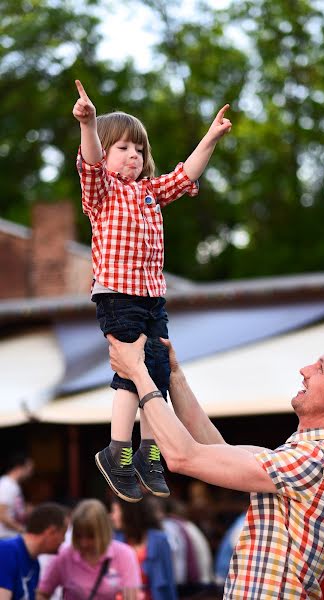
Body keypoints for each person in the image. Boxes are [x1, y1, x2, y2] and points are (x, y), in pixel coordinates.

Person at [107, 335, 324, 599]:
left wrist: (138, 373)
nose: (305, 370)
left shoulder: (316, 462)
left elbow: (183, 456)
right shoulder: (311, 457)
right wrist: (174, 375)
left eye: (320, 368)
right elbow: (213, 449)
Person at [72, 79, 232, 503]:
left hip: (151, 296)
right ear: (107, 154)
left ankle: (149, 451)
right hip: (116, 294)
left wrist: (211, 138)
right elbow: (89, 163)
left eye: (139, 149)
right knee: (129, 368)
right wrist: (88, 124)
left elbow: (185, 174)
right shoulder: (103, 194)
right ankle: (117, 451)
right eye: (123, 148)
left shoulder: (149, 193)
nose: (134, 156)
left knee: (157, 371)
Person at [37, 498, 142, 600]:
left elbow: (131, 596)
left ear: (103, 532)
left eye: (91, 536)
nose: (84, 543)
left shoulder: (124, 555)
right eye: (79, 536)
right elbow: (42, 593)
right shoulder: (65, 556)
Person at [112, 495, 177, 600]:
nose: (113, 516)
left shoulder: (159, 541)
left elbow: (169, 582)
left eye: (116, 510)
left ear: (128, 512)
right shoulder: (115, 541)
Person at [0, 502, 68, 600]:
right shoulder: (6, 551)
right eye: (63, 533)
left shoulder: (34, 564)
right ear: (51, 532)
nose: (64, 540)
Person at [0, 452, 34, 539]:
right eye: (29, 467)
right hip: (5, 537)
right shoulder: (7, 485)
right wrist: (22, 529)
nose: (31, 472)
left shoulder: (12, 485)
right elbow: (1, 514)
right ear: (19, 467)